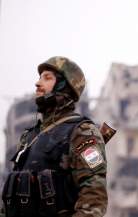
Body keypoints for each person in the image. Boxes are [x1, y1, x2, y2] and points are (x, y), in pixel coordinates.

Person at [2, 56, 108, 217]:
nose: (38, 83)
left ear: (64, 86)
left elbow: (94, 198)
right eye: (39, 77)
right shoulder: (28, 138)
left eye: (47, 78)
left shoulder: (83, 132)